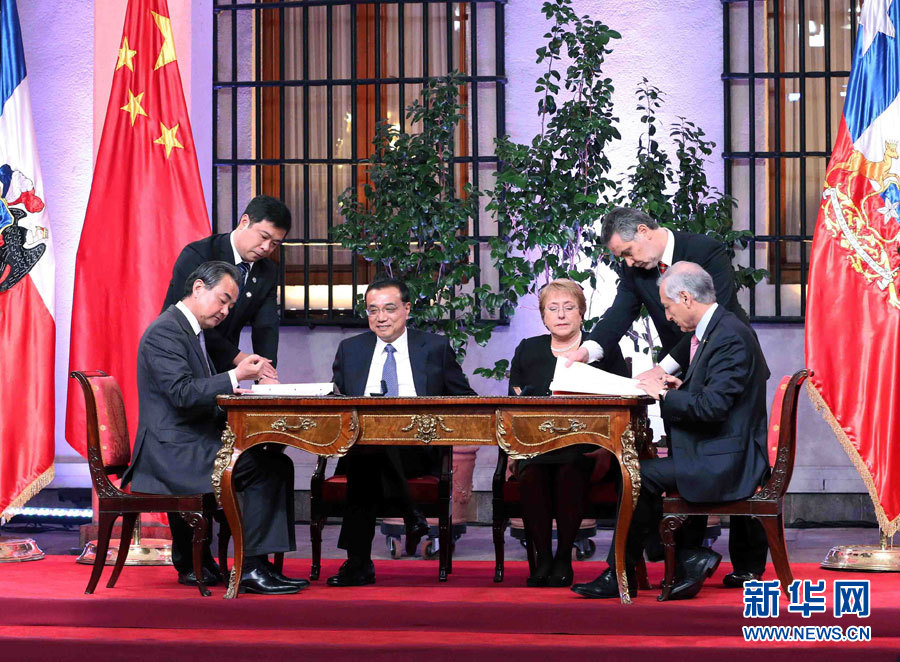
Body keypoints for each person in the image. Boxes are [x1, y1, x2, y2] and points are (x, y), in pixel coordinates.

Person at [565, 206, 769, 587]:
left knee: (694, 450)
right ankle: (686, 558)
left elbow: (712, 319)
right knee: (681, 453)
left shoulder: (706, 256)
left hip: (715, 367)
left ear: (644, 231)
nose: (627, 262)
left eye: (627, 252)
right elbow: (617, 317)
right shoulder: (636, 270)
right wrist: (585, 352)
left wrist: (661, 376)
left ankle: (736, 565)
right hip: (694, 371)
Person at [122, 261, 305, 595]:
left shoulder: (189, 330)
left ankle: (254, 565)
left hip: (187, 441)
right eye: (222, 300)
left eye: (230, 306)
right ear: (198, 288)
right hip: (171, 452)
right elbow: (182, 394)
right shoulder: (166, 332)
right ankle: (252, 567)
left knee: (273, 462)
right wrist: (235, 376)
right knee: (264, 468)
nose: (225, 311)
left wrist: (232, 395)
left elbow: (195, 393)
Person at [326, 277, 477, 587]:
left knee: (370, 454)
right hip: (363, 449)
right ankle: (411, 515)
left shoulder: (434, 347)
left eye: (390, 309)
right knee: (369, 448)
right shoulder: (350, 349)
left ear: (407, 309)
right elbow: (336, 401)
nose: (381, 317)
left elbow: (465, 399)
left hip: (418, 450)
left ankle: (358, 563)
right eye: (373, 310)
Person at [508, 279, 629, 587]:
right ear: (543, 316)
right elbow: (513, 406)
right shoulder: (528, 350)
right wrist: (514, 450)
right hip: (537, 447)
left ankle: (563, 557)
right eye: (553, 309)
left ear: (581, 313)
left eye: (568, 307)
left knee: (570, 468)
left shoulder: (602, 350)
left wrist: (605, 450)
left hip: (589, 448)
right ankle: (542, 559)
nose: (561, 315)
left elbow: (623, 404)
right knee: (532, 473)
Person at [162, 195, 291, 378]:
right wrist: (237, 357)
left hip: (222, 370)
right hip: (180, 359)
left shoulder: (267, 271)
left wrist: (265, 375)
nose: (266, 247)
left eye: (274, 244)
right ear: (244, 222)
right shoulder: (199, 254)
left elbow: (266, 327)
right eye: (263, 237)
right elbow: (188, 316)